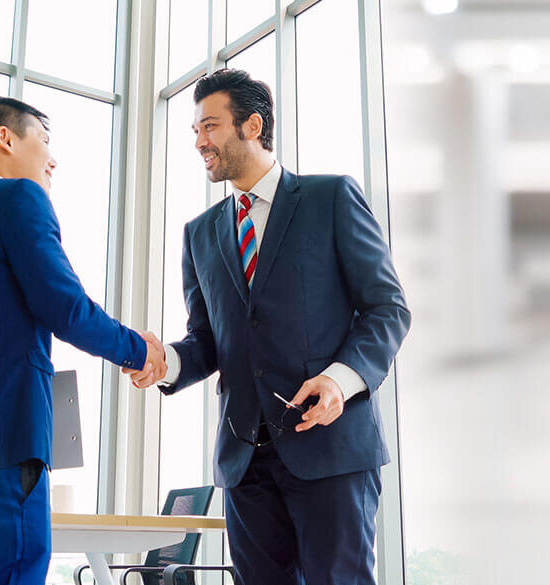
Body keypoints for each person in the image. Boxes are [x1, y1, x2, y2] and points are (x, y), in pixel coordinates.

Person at [128, 69, 410, 584]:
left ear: (252, 125)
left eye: (208, 126)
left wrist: (340, 380)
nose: (199, 142)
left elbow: (388, 307)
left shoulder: (330, 199)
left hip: (327, 445)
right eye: (194, 130)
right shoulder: (201, 234)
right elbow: (208, 341)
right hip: (244, 461)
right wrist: (165, 361)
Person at [0, 96, 166, 585]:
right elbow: (64, 306)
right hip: (3, 461)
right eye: (43, 140)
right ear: (5, 138)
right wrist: (139, 349)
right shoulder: (17, 198)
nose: (52, 158)